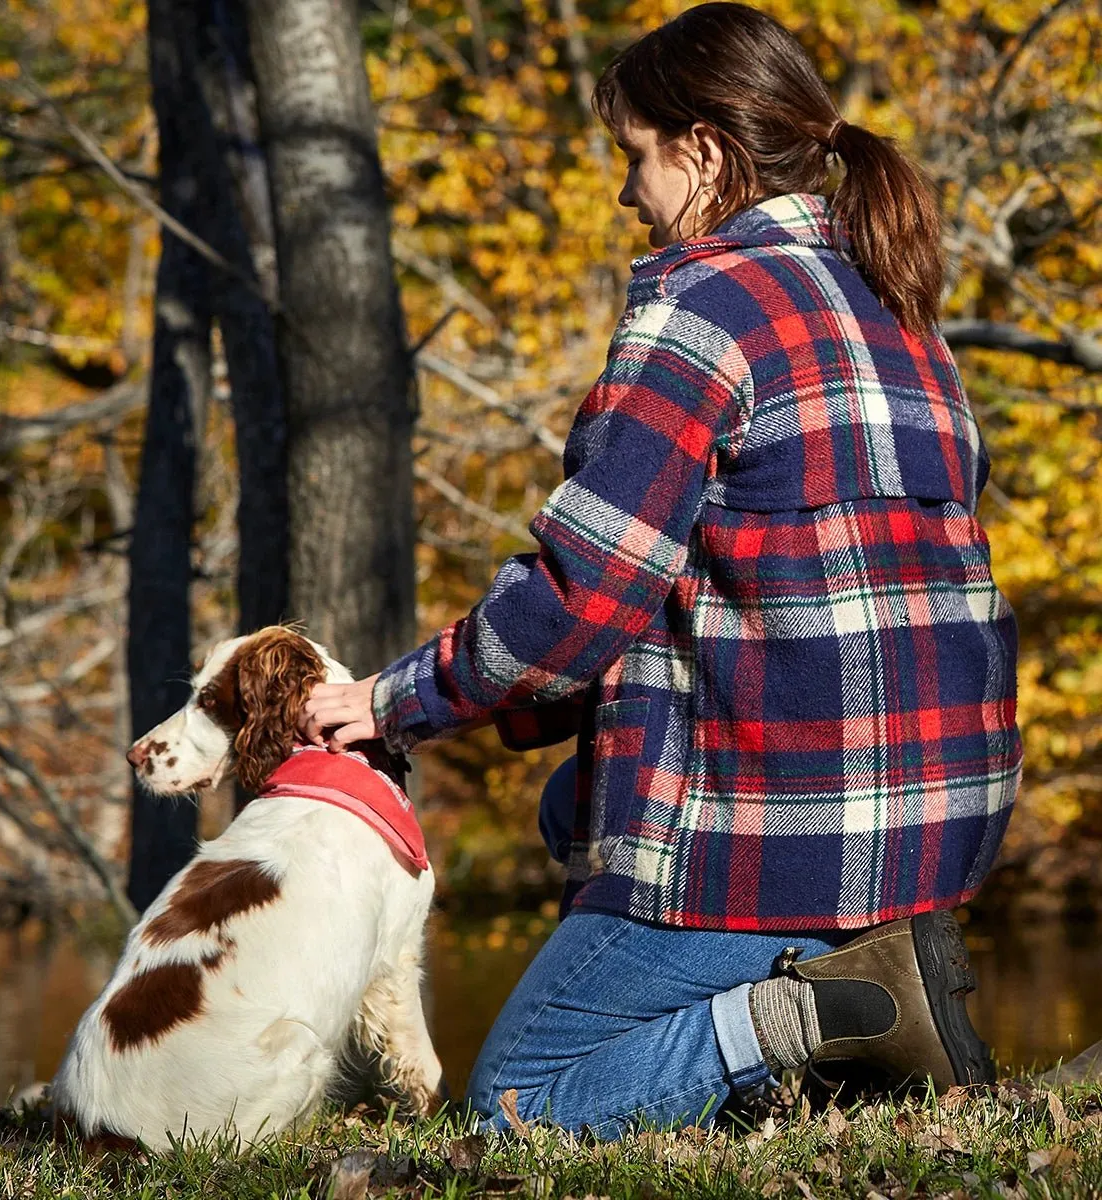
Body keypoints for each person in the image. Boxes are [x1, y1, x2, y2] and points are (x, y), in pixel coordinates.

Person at [299, 1, 1022, 1139]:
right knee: (572, 810)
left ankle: (824, 1018)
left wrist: (390, 701)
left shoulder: (703, 307)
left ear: (704, 152)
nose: (625, 193)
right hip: (940, 817)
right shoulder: (903, 311)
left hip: (804, 826)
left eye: (635, 157)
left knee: (522, 1098)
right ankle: (837, 1015)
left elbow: (580, 600)